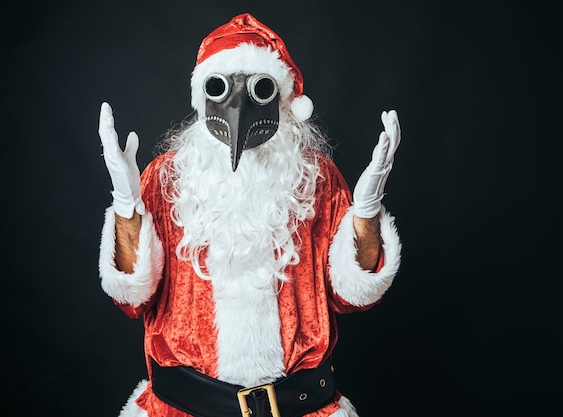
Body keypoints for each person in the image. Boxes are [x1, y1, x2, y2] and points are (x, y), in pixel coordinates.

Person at [97, 13, 401, 417]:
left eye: (260, 88)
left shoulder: (318, 178)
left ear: (284, 101)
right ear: (201, 97)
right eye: (220, 87)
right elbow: (131, 297)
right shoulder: (165, 178)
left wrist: (365, 212)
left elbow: (351, 295)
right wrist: (126, 206)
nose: (237, 105)